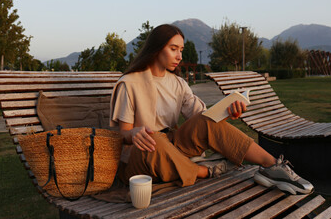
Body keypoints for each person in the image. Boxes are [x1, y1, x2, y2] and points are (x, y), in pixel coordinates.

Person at [110, 24, 313, 195]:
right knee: (154, 139)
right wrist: (134, 132)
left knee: (207, 121)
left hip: (172, 146)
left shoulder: (178, 84)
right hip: (141, 156)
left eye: (181, 49)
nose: (179, 56)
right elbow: (122, 134)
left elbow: (204, 119)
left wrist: (228, 112)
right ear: (156, 49)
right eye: (174, 49)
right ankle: (206, 171)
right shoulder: (129, 83)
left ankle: (272, 166)